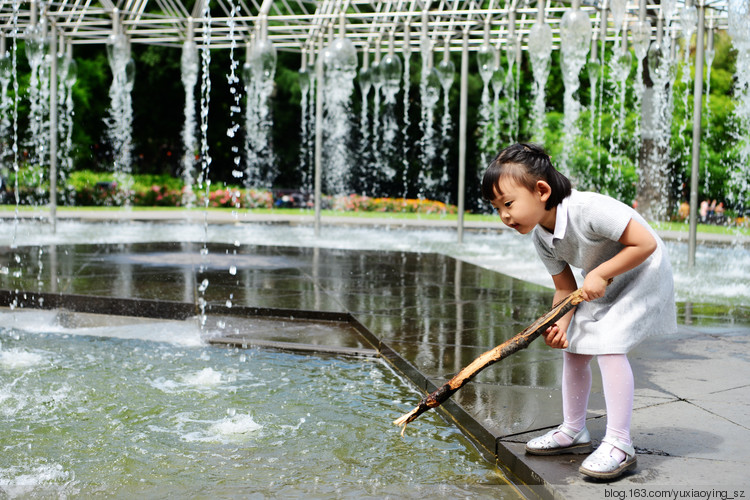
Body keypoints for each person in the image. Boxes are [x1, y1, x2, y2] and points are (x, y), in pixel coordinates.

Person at [481, 143, 677, 481]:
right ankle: (573, 430)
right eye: (497, 208)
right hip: (600, 282)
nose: (505, 216)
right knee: (575, 346)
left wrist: (600, 273)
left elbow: (645, 243)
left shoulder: (588, 209)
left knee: (609, 344)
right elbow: (564, 288)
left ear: (541, 190)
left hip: (644, 274)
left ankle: (619, 443)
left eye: (509, 204)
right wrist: (561, 323)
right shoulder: (542, 237)